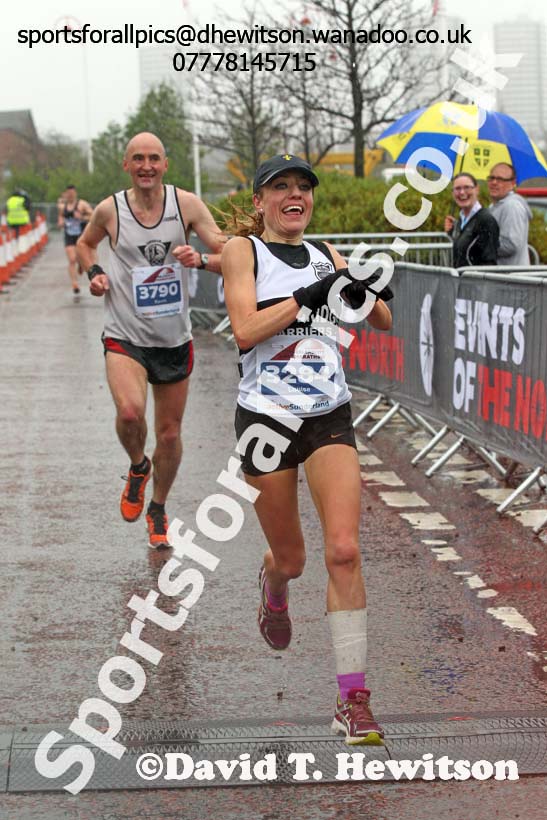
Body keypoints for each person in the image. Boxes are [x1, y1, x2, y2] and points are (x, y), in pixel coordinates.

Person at [221, 154, 393, 745]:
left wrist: (364, 288)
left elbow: (384, 320)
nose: (296, 195)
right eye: (282, 188)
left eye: (303, 188)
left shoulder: (327, 254)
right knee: (292, 558)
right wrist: (309, 296)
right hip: (266, 424)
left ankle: (352, 699)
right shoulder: (244, 252)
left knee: (343, 551)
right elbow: (244, 329)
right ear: (263, 199)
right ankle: (273, 584)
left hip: (327, 416)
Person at [76, 132, 225, 548]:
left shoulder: (187, 205)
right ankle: (138, 466)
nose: (146, 166)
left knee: (171, 435)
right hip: (125, 334)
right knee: (128, 413)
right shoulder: (110, 210)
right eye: (138, 158)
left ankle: (157, 508)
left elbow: (224, 250)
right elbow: (85, 245)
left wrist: (203, 259)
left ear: (165, 164)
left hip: (173, 338)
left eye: (154, 158)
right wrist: (94, 274)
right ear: (126, 165)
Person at [444, 173, 499, 267]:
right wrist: (451, 232)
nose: (462, 192)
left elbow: (489, 261)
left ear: (477, 189)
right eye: (457, 188)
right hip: (461, 280)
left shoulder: (485, 220)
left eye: (467, 187)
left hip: (474, 280)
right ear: (452, 193)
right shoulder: (461, 220)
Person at [487, 163, 532, 266]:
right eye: (491, 178)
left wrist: (481, 244)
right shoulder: (494, 206)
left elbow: (510, 245)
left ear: (513, 183)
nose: (494, 182)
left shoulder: (512, 206)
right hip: (501, 278)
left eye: (500, 179)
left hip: (511, 278)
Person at [58, 185, 93, 299]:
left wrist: (82, 217)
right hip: (69, 235)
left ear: (75, 193)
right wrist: (61, 223)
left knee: (79, 258)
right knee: (72, 259)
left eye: (72, 193)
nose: (70, 195)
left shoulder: (82, 204)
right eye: (68, 193)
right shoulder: (62, 206)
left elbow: (93, 216)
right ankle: (74, 284)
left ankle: (81, 265)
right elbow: (61, 218)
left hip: (80, 236)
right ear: (66, 194)